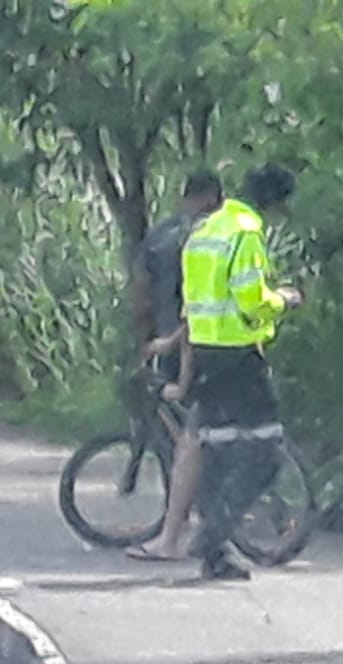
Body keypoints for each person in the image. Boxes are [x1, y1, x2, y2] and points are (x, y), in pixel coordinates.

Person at [179, 163, 304, 581]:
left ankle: (215, 555)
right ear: (274, 203)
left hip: (205, 352)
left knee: (217, 450)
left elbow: (192, 299)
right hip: (238, 355)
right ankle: (214, 532)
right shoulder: (246, 231)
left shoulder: (207, 228)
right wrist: (283, 300)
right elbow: (251, 300)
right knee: (266, 452)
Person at [125, 169, 223, 562]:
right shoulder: (221, 235)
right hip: (216, 340)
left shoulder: (162, 235)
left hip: (173, 340)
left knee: (182, 435)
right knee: (199, 425)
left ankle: (176, 525)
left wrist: (145, 338)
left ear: (186, 196)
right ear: (215, 197)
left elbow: (140, 292)